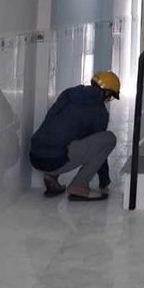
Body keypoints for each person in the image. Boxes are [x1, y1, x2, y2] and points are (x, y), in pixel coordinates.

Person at [29, 70, 120, 201]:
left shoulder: (69, 93)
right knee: (109, 138)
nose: (108, 100)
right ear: (106, 92)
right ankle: (79, 185)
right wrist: (104, 180)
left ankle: (51, 177)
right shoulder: (100, 112)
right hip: (54, 160)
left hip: (35, 154)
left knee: (65, 135)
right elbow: (99, 149)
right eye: (110, 96)